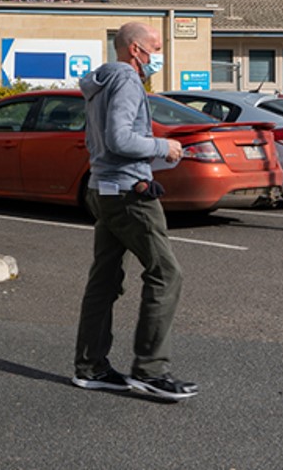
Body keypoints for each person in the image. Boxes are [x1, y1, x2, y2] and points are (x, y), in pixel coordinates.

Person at [71, 22, 199, 401]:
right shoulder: (126, 79)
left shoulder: (99, 83)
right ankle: (150, 371)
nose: (158, 55)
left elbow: (99, 140)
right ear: (135, 50)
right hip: (128, 193)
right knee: (166, 274)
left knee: (105, 280)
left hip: (103, 188)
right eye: (155, 48)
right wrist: (163, 147)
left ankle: (91, 367)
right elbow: (119, 138)